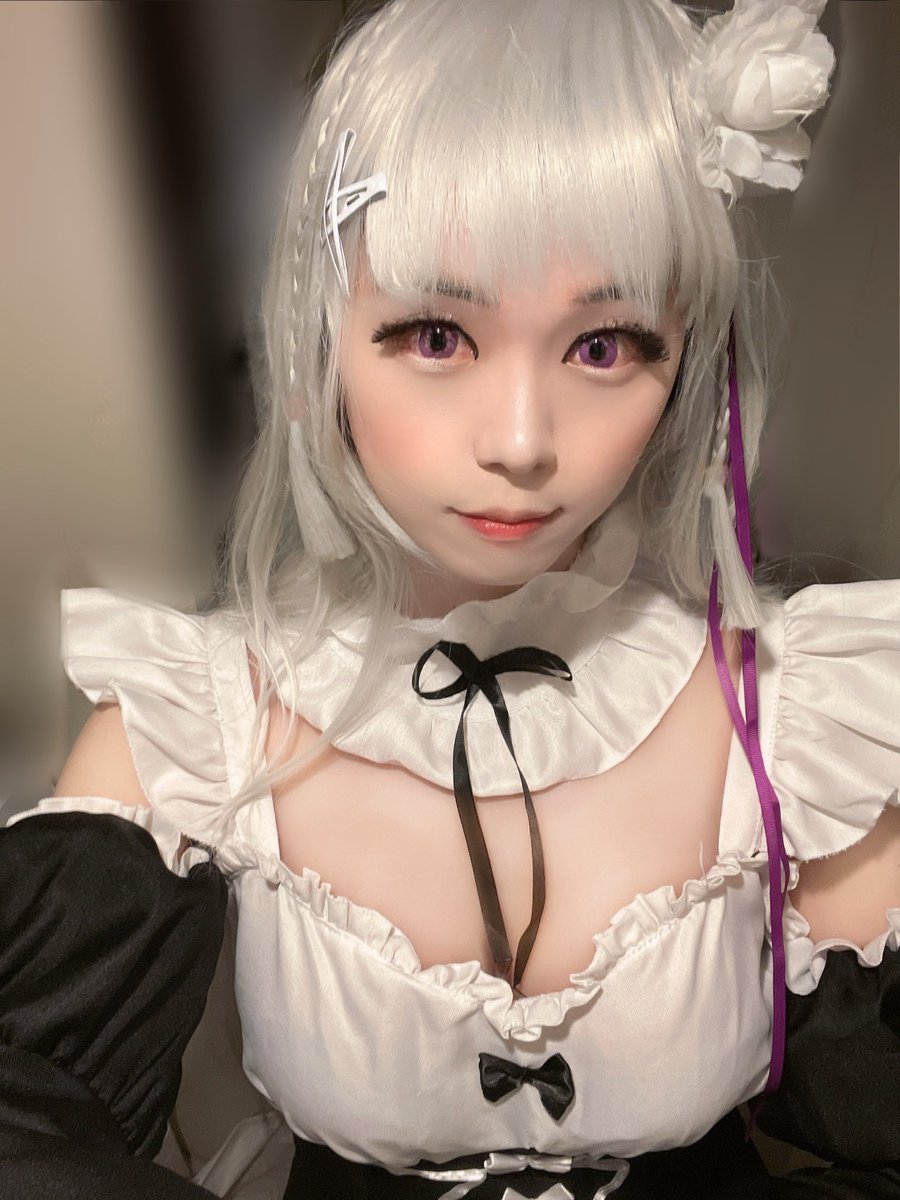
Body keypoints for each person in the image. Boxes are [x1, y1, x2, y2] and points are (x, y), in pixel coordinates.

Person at [2, 1, 898, 1197]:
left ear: (686, 359)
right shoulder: (195, 723)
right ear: (320, 341)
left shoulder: (799, 716)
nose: (521, 442)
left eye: (605, 346)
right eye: (434, 334)